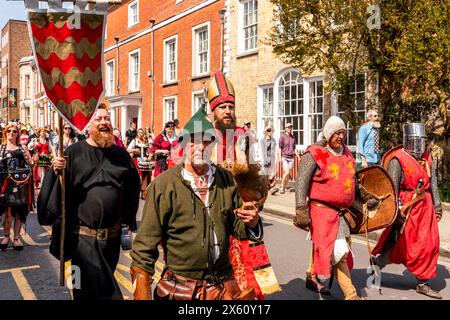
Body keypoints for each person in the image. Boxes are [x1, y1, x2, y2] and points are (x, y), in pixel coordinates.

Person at [130, 107, 261, 300]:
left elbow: (238, 228)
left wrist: (252, 223)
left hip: (223, 287)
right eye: (194, 141)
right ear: (183, 144)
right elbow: (143, 250)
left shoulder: (224, 178)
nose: (201, 147)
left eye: (207, 141)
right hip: (181, 289)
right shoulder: (164, 185)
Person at [37, 105, 140, 300]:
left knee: (85, 293)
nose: (104, 123)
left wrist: (127, 221)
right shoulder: (74, 152)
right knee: (107, 292)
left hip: (111, 239)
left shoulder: (121, 155)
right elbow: (59, 192)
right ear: (88, 126)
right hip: (82, 240)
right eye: (98, 119)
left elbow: (132, 190)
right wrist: (56, 170)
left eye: (107, 119)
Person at [207, 71, 279, 299]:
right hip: (213, 222)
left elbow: (259, 178)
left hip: (243, 220)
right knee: (216, 288)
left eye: (231, 106)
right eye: (222, 107)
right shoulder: (202, 137)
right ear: (212, 111)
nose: (228, 111)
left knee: (252, 286)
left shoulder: (245, 135)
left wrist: (258, 201)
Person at [293, 116, 368, 300]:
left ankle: (311, 276)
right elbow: (301, 183)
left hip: (341, 212)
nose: (341, 136)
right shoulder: (315, 153)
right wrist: (301, 209)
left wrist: (366, 196)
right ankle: (351, 295)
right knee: (338, 252)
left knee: (323, 245)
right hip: (321, 211)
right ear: (328, 134)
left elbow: (353, 180)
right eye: (337, 132)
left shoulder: (347, 153)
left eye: (343, 132)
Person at [371, 123, 442, 299]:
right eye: (417, 141)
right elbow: (392, 189)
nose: (421, 145)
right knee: (403, 245)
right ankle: (378, 263)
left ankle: (422, 283)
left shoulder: (426, 158)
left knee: (429, 245)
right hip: (407, 208)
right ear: (409, 140)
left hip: (425, 208)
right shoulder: (398, 159)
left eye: (423, 141)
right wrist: (396, 211)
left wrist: (438, 205)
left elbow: (432, 183)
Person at [0, 124, 34, 251]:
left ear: (18, 134)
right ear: (5, 133)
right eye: (9, 131)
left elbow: (30, 163)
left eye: (14, 131)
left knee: (19, 212)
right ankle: (6, 237)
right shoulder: (1, 148)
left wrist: (34, 160)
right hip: (5, 184)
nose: (11, 133)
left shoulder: (23, 147)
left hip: (21, 184)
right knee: (7, 212)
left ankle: (16, 239)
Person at [272, 123, 300, 195]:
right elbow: (279, 148)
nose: (290, 128)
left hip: (291, 158)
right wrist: (279, 158)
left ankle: (284, 188)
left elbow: (294, 149)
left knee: (287, 175)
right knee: (287, 172)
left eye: (291, 127)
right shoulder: (282, 137)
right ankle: (281, 186)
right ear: (285, 128)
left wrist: (299, 157)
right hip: (284, 157)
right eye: (288, 127)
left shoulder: (293, 137)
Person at [127, 128, 151, 199]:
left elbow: (149, 151)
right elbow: (128, 150)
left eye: (141, 132)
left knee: (145, 176)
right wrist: (135, 150)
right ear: (137, 133)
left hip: (145, 160)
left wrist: (149, 154)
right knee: (138, 177)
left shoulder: (145, 141)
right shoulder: (134, 141)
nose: (140, 134)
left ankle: (143, 193)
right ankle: (136, 192)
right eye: (139, 132)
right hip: (137, 160)